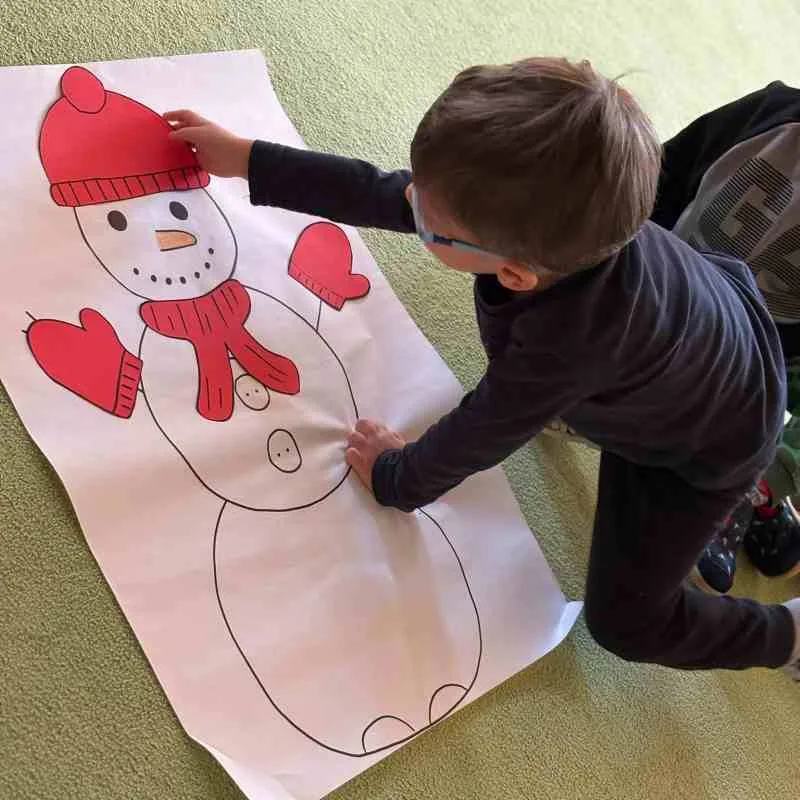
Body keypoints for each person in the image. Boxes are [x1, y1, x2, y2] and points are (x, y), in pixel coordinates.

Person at [165, 56, 800, 678]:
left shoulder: (561, 345)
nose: (408, 201)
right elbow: (381, 191)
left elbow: (484, 430)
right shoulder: (545, 230)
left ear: (517, 274)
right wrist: (246, 158)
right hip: (697, 338)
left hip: (708, 445)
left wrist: (394, 478)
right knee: (584, 384)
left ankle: (785, 638)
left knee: (626, 622)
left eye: (425, 217)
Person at [652, 82, 800, 593]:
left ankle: (753, 484)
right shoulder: (771, 113)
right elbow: (662, 173)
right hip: (658, 292)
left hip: (756, 358)